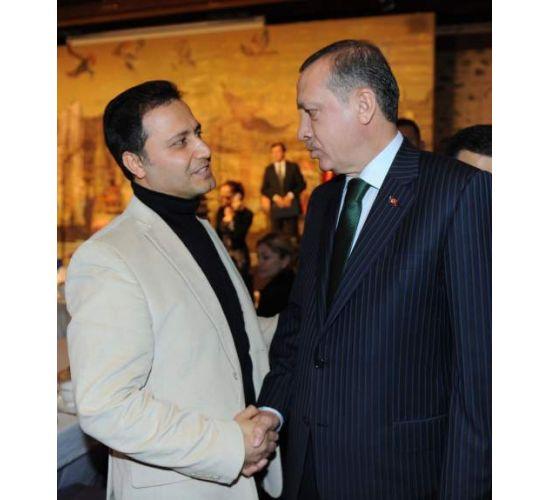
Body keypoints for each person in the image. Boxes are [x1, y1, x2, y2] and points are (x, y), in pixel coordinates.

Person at [258, 40, 491, 499]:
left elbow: (480, 374)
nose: (302, 131)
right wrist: (274, 410)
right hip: (309, 466)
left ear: (363, 105)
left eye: (312, 112)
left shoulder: (457, 192)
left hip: (398, 475)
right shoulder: (324, 202)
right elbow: (301, 326)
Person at [65, 80, 282, 500]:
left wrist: (311, 320)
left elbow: (234, 334)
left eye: (197, 132)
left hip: (248, 478)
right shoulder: (109, 257)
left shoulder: (199, 229)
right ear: (136, 162)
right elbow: (107, 406)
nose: (204, 149)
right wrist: (229, 445)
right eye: (181, 142)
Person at [260, 142, 306, 239]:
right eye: (273, 152)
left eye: (278, 151)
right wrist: (276, 198)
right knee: (276, 237)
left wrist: (289, 196)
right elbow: (264, 189)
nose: (276, 154)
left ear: (283, 152)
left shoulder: (293, 167)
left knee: (292, 236)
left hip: (291, 207)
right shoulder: (269, 169)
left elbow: (301, 184)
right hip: (276, 208)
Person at [216, 180, 254, 290]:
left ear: (238, 196)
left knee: (241, 285)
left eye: (227, 197)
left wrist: (235, 215)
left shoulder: (246, 214)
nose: (224, 201)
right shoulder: (221, 211)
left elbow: (238, 235)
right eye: (221, 197)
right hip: (223, 254)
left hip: (239, 257)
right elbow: (218, 234)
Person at [255, 233, 296, 317]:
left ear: (285, 260)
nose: (259, 263)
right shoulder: (295, 282)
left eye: (266, 257)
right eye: (258, 257)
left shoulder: (275, 292)